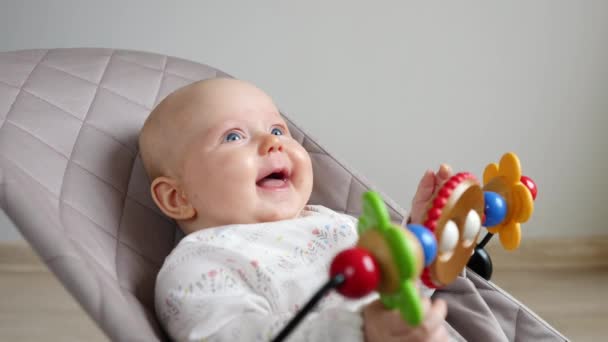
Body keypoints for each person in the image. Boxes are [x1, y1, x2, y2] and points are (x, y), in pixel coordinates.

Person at [139, 78, 454, 341]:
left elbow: (400, 288)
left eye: (277, 130)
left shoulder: (331, 222)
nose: (271, 143)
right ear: (177, 197)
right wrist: (362, 330)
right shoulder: (199, 264)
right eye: (234, 136)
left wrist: (421, 242)